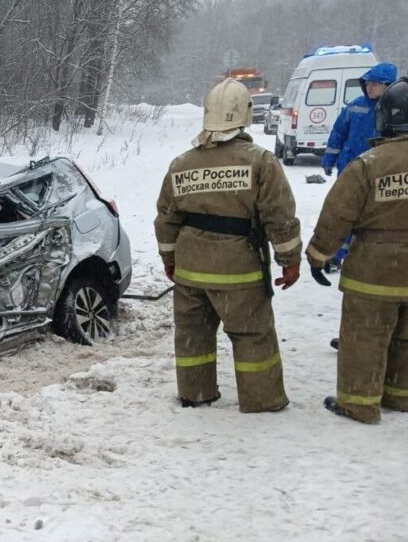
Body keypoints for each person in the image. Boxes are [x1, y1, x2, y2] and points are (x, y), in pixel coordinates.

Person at [155, 78, 302, 412]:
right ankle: (262, 399)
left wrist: (170, 259)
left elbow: (166, 219)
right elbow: (279, 218)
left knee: (193, 337)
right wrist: (289, 260)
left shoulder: (181, 164)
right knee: (252, 337)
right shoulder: (260, 162)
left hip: (191, 271)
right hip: (240, 271)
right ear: (245, 114)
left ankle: (195, 393)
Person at [306, 78, 408, 424]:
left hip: (373, 272)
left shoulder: (367, 165)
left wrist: (319, 256)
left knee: (365, 337)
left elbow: (337, 216)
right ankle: (400, 396)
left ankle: (359, 404)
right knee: (405, 339)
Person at [320, 62, 398, 272]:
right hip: (350, 170)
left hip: (380, 173)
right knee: (343, 213)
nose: (369, 88)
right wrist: (329, 159)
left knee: (372, 216)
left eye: (375, 84)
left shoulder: (395, 111)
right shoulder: (355, 106)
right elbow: (338, 133)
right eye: (368, 84)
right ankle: (336, 255)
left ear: (388, 86)